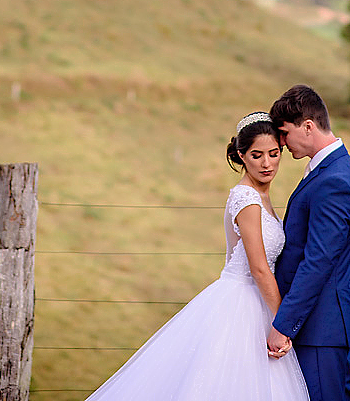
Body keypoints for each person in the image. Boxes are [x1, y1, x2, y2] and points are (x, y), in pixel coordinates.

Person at [83, 111, 310, 401]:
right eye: (256, 155)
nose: (267, 163)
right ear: (241, 155)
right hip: (244, 299)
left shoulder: (260, 195)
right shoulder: (247, 199)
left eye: (274, 153)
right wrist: (283, 321)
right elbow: (259, 269)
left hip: (253, 299)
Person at [267, 85, 350, 401]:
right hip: (316, 324)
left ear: (308, 126)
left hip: (321, 326)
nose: (281, 143)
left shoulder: (334, 180)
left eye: (284, 133)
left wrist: (284, 325)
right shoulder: (327, 169)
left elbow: (318, 261)